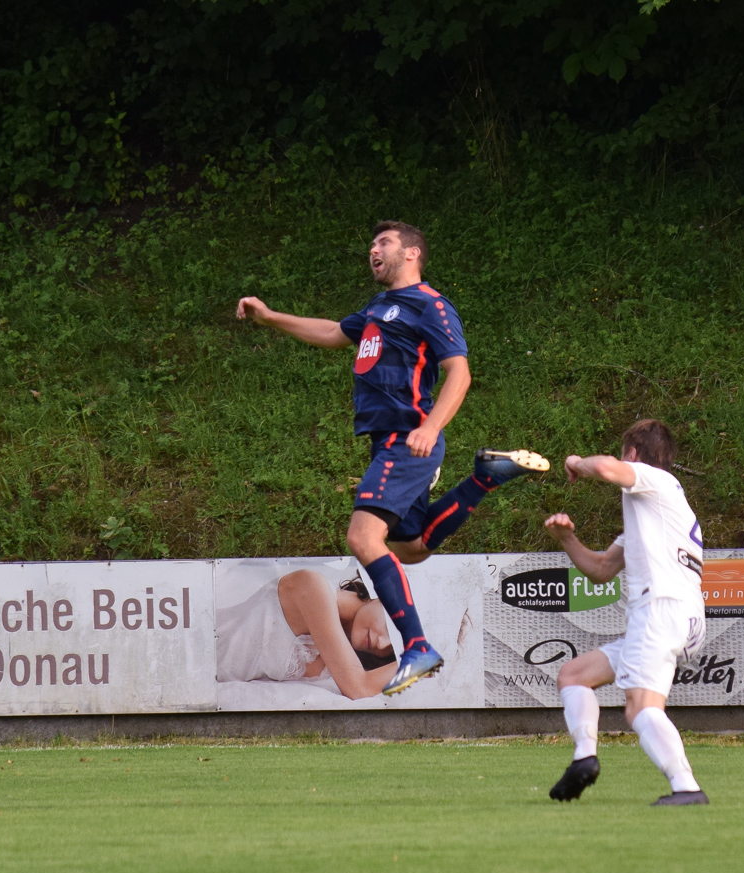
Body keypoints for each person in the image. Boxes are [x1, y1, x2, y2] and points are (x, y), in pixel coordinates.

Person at [235, 220, 548, 695]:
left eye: (384, 242)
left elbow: (459, 373)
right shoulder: (379, 307)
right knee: (411, 547)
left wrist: (431, 427)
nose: (373, 250)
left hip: (408, 438)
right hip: (388, 441)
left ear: (412, 253)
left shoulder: (431, 305)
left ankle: (417, 647)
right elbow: (333, 332)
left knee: (363, 537)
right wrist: (270, 317)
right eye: (371, 244)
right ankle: (485, 477)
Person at [540, 420, 709, 806]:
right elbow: (601, 570)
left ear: (632, 455)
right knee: (574, 676)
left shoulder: (657, 481)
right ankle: (584, 758)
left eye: (623, 455)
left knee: (640, 708)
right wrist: (566, 538)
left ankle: (686, 787)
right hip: (679, 618)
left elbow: (603, 468)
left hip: (661, 610)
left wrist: (576, 462)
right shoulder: (655, 512)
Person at [216, 571, 397, 699]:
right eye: (391, 629)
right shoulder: (313, 587)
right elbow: (359, 689)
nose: (382, 644)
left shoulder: (348, 656)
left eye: (393, 648)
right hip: (201, 651)